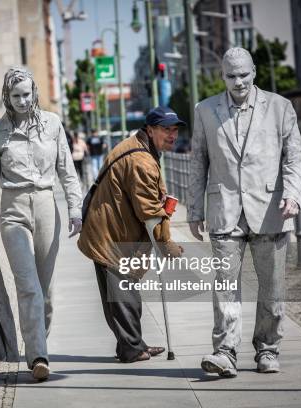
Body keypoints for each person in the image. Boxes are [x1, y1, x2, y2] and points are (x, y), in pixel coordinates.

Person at [187, 47, 301, 377]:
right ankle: (225, 351)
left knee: (272, 287)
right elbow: (199, 162)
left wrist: (293, 195)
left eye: (243, 74)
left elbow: (293, 158)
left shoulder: (281, 108)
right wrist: (194, 211)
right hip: (225, 210)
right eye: (230, 75)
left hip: (271, 210)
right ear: (221, 76)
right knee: (225, 285)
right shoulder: (205, 110)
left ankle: (268, 348)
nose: (238, 82)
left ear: (254, 72)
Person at [0, 68, 82, 381]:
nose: (22, 101)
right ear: (6, 98)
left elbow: (67, 170)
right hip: (13, 211)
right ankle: (38, 355)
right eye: (16, 96)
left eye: (27, 94)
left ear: (34, 92)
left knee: (46, 293)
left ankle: (38, 342)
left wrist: (76, 209)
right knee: (28, 287)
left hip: (46, 208)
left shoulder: (52, 124)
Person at [78, 106, 185, 363]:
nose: (172, 135)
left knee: (123, 295)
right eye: (165, 130)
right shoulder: (141, 161)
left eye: (175, 130)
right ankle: (132, 348)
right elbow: (150, 212)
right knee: (124, 296)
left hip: (110, 230)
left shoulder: (140, 147)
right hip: (111, 236)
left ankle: (132, 344)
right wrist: (166, 244)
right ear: (150, 130)